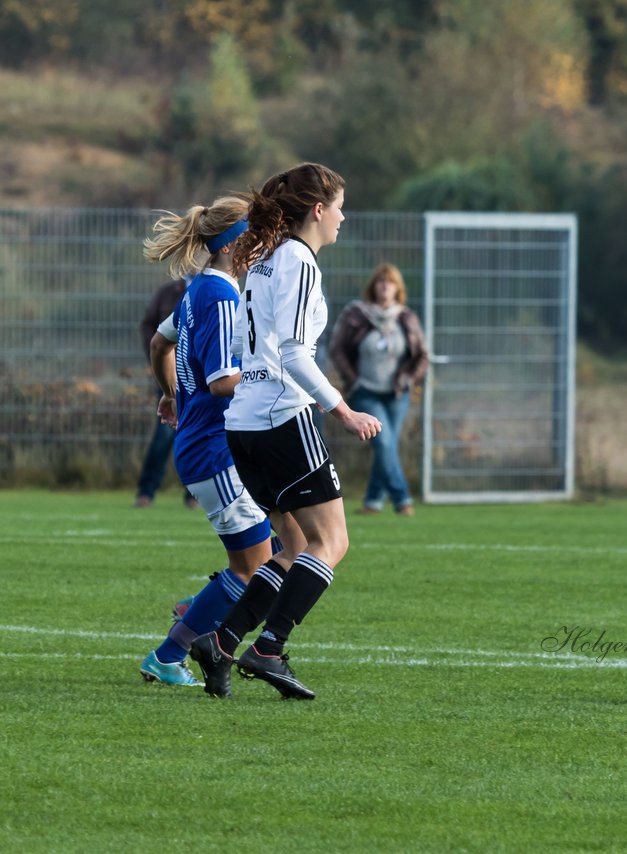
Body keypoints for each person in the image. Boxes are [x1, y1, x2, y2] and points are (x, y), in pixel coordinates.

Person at [188, 163, 382, 701]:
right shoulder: (298, 259)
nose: (343, 217)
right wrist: (342, 409)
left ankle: (222, 642)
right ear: (318, 210)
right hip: (279, 416)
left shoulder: (268, 258)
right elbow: (295, 353)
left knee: (294, 544)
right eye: (340, 205)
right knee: (332, 541)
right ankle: (268, 648)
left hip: (243, 424)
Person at [136, 195, 303, 687]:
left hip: (205, 444)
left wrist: (171, 394)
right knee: (256, 569)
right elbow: (223, 381)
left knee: (272, 552)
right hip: (215, 451)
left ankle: (207, 605)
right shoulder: (225, 296)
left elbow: (159, 344)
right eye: (261, 237)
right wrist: (285, 381)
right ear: (239, 243)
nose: (268, 246)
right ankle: (172, 652)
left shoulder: (197, 289)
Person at [328, 263, 429, 516]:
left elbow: (422, 356)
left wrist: (408, 378)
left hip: (397, 393)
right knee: (383, 442)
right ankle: (402, 498)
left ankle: (373, 501)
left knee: (388, 446)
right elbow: (337, 349)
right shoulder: (357, 314)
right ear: (373, 286)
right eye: (381, 282)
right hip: (366, 391)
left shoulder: (406, 318)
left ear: (398, 288)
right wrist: (353, 379)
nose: (385, 286)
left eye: (391, 282)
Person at [134, 278, 198, 510]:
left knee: (197, 433)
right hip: (171, 377)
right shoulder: (169, 292)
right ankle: (146, 491)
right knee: (163, 435)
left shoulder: (210, 288)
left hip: (199, 377)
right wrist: (159, 364)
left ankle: (195, 494)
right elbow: (151, 331)